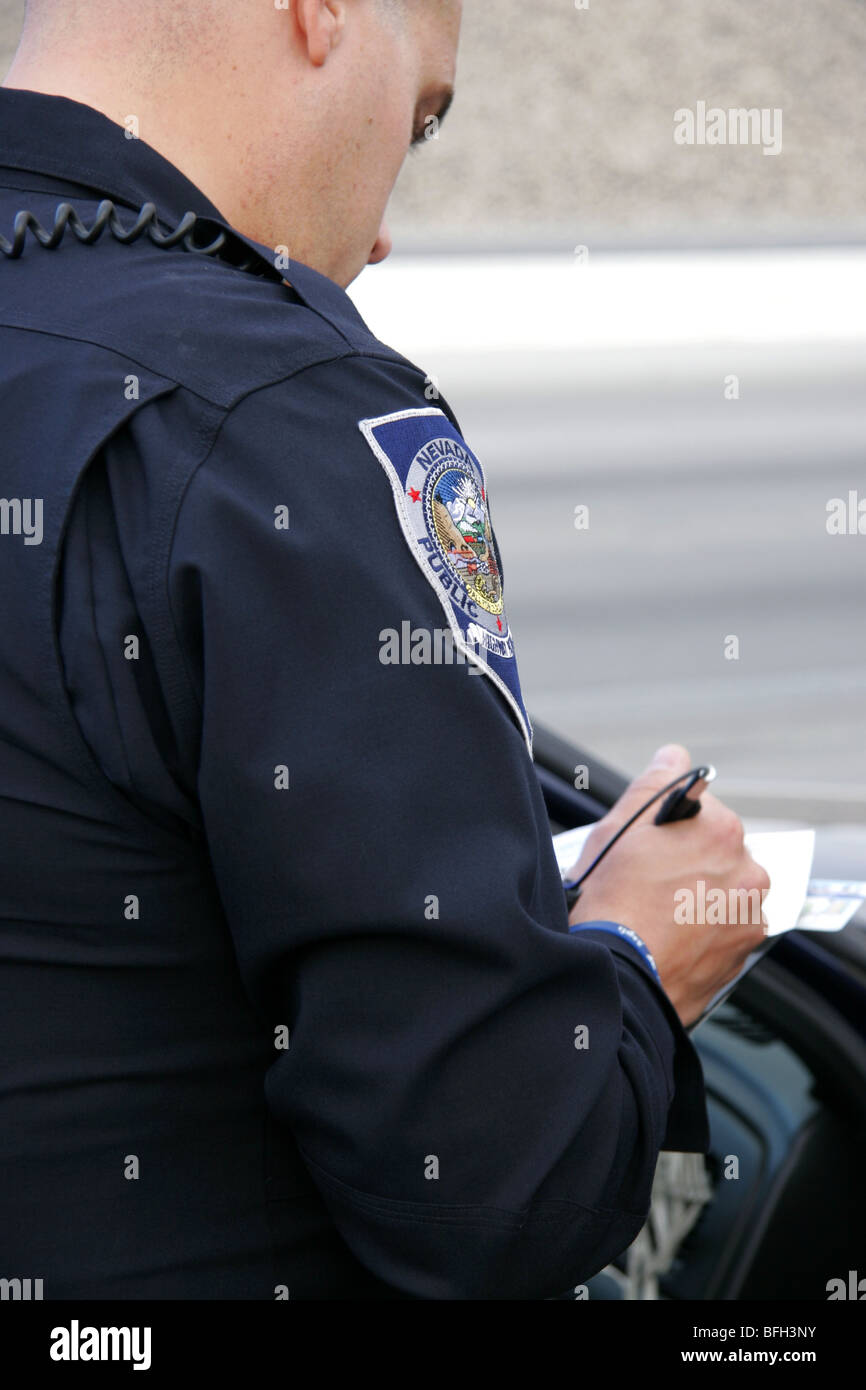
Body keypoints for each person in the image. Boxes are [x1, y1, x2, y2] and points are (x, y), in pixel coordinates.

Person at [0, 0, 769, 1300]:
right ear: (317, 12)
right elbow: (489, 1185)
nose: (382, 231)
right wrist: (641, 949)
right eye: (421, 118)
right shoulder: (271, 417)